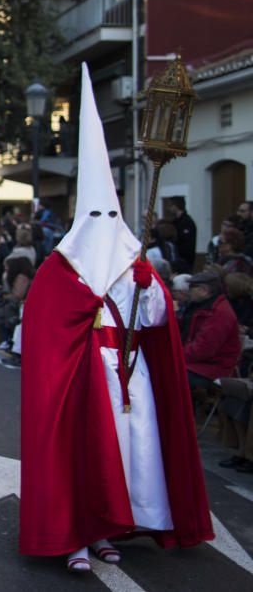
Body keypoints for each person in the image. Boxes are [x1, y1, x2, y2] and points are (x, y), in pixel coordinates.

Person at [20, 64, 212, 573]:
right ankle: (76, 536)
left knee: (132, 456)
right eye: (97, 218)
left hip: (130, 374)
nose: (107, 227)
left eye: (112, 217)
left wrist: (149, 288)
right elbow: (47, 332)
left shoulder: (134, 261)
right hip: (80, 381)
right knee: (81, 457)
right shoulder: (58, 271)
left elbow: (152, 322)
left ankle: (112, 529)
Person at [178, 272, 241, 391]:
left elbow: (202, 350)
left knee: (169, 374)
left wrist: (174, 354)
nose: (188, 291)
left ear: (204, 290)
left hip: (213, 369)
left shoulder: (220, 313)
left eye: (191, 288)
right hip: (200, 364)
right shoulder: (200, 306)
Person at [167, 196, 196, 273]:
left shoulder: (187, 222)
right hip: (174, 261)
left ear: (176, 206)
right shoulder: (174, 223)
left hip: (184, 262)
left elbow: (187, 245)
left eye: (170, 206)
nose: (168, 209)